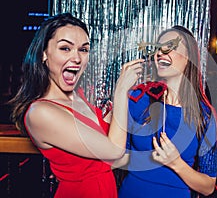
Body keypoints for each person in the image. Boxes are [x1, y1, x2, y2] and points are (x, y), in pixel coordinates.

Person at [8, 13, 143, 198]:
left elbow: (106, 151)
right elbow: (114, 152)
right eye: (65, 48)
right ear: (44, 55)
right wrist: (120, 92)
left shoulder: (77, 98)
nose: (77, 58)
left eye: (84, 49)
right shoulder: (40, 112)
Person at [115, 25, 217, 198]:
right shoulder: (137, 99)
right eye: (158, 48)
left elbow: (208, 186)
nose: (160, 53)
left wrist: (176, 163)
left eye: (170, 47)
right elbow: (117, 156)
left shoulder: (204, 115)